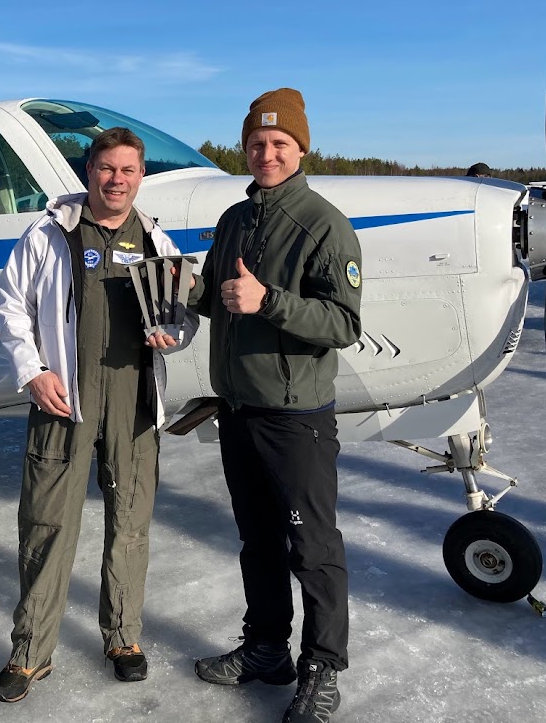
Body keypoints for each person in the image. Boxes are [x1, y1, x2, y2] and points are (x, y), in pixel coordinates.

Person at [0, 126, 198, 703]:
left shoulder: (156, 240)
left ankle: (123, 638)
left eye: (128, 170)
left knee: (130, 524)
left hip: (132, 401)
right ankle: (31, 651)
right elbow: (12, 305)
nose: (117, 180)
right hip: (65, 400)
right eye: (107, 169)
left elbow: (182, 312)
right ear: (90, 173)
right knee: (48, 523)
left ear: (140, 177)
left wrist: (175, 335)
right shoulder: (50, 232)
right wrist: (33, 372)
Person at [192, 88, 362, 723]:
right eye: (257, 144)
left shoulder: (322, 223)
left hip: (295, 416)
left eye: (279, 144)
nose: (266, 153)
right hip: (238, 407)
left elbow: (344, 322)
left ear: (300, 149)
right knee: (257, 540)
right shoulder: (238, 219)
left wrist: (270, 302)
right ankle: (267, 648)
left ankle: (322, 669)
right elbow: (216, 294)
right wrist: (177, 290)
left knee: (311, 548)